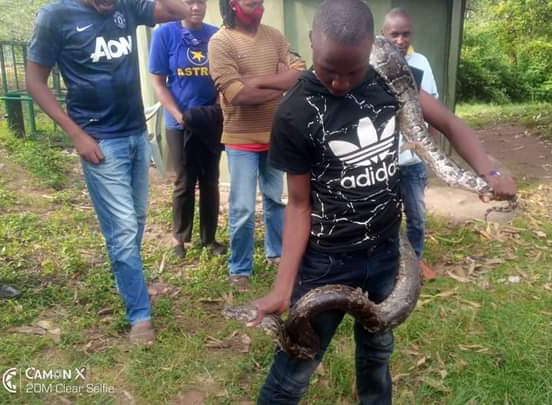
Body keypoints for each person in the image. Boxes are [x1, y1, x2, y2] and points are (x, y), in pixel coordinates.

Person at [250, 0, 517, 403]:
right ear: (310, 44)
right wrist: (282, 287)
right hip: (327, 260)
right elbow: (299, 205)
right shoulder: (294, 113)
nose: (340, 82)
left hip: (386, 251)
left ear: (369, 54)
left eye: (352, 71)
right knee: (295, 366)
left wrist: (490, 172)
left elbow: (448, 121)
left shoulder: (390, 81)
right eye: (328, 69)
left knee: (377, 354)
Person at [26, 0, 190, 345]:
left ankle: (129, 282)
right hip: (99, 141)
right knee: (123, 228)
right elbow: (35, 81)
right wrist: (76, 134)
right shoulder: (55, 16)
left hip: (134, 134)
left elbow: (178, 11)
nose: (108, 3)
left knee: (137, 219)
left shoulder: (127, 6)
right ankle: (140, 315)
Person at [208, 0, 304, 292]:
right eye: (252, 3)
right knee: (242, 208)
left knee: (275, 200)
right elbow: (237, 95)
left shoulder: (274, 36)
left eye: (261, 3)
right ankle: (239, 268)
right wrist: (280, 81)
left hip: (276, 136)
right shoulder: (220, 42)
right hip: (241, 138)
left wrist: (257, 81)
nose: (259, 7)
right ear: (233, 5)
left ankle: (276, 254)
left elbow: (299, 72)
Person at [149, 0, 226, 259]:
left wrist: (216, 110)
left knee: (210, 180)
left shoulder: (215, 35)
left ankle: (209, 238)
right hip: (178, 123)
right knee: (184, 181)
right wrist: (178, 115)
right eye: (189, 2)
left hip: (209, 121)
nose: (196, 7)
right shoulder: (165, 34)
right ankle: (179, 239)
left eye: (201, 2)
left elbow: (222, 80)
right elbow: (158, 83)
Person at [382, 7, 439, 281]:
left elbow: (433, 112)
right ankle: (392, 263)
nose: (400, 40)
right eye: (395, 34)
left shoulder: (422, 63)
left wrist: (431, 157)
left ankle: (415, 260)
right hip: (384, 163)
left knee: (416, 217)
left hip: (414, 162)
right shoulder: (375, 63)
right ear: (384, 34)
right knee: (387, 217)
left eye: (405, 34)